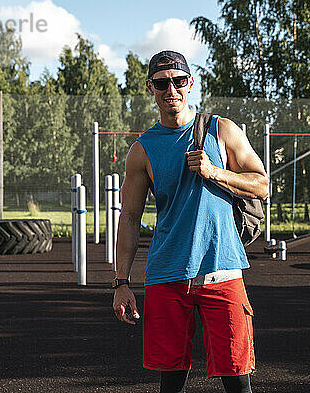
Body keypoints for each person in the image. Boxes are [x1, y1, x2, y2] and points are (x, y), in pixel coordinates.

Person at [112, 50, 269, 393]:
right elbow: (130, 219)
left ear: (190, 83)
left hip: (222, 269)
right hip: (167, 275)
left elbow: (262, 185)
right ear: (150, 88)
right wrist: (121, 282)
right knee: (170, 384)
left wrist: (216, 172)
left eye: (179, 81)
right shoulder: (142, 150)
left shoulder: (221, 129)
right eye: (162, 83)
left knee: (238, 382)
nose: (171, 89)